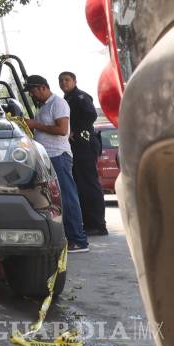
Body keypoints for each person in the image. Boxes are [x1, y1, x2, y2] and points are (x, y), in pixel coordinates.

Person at [24, 75, 89, 253]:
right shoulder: (44, 106)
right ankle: (69, 237)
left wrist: (35, 125)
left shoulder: (58, 103)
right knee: (56, 199)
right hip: (48, 157)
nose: (32, 95)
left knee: (68, 198)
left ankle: (79, 240)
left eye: (33, 91)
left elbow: (62, 130)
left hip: (59, 156)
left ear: (43, 87)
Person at [60, 71, 107, 236]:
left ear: (74, 81)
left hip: (85, 143)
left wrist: (75, 130)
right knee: (80, 184)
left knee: (89, 183)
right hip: (76, 146)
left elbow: (90, 115)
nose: (64, 83)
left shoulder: (81, 97)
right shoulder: (66, 100)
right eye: (61, 80)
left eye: (67, 80)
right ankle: (87, 223)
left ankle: (98, 224)